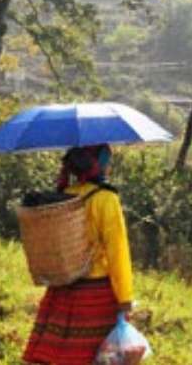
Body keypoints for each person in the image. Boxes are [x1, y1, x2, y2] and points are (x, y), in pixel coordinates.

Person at [22, 144, 134, 365]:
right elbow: (117, 251)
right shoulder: (106, 199)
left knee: (58, 356)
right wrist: (125, 298)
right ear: (98, 164)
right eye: (106, 159)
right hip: (95, 294)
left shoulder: (64, 195)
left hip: (62, 289)